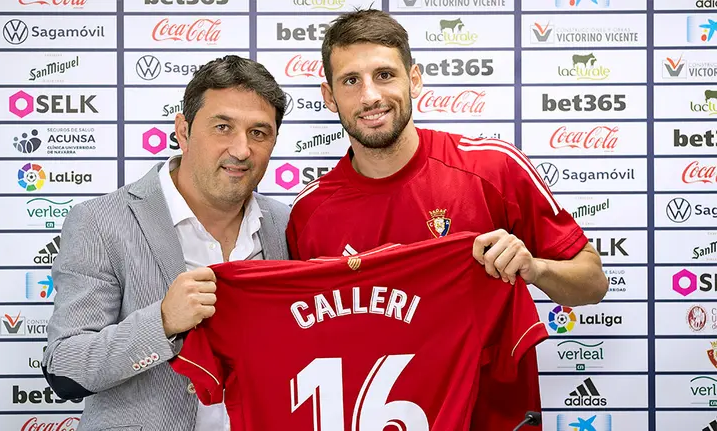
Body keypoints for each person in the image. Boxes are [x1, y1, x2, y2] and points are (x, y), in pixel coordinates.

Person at [286, 9, 609, 431]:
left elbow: (593, 283)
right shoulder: (309, 212)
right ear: (329, 96)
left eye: (384, 75)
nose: (369, 97)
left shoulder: (493, 169)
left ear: (414, 79)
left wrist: (535, 267)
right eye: (351, 81)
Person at [42, 55, 290, 431]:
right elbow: (65, 367)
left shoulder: (285, 224)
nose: (241, 150)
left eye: (259, 133)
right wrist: (161, 322)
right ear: (183, 131)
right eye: (223, 127)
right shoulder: (100, 221)